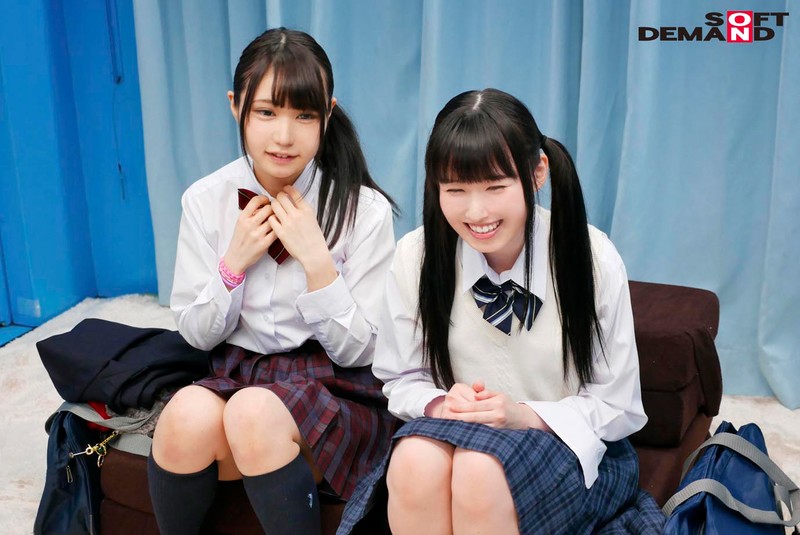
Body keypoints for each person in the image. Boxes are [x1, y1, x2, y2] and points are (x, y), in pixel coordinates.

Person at [338, 89, 666, 534]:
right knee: (413, 460)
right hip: (456, 434)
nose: (477, 212)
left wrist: (524, 415)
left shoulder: (590, 257)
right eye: (455, 190)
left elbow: (618, 405)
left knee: (481, 470)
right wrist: (440, 402)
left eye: (495, 187)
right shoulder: (416, 256)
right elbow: (400, 378)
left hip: (566, 444)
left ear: (537, 173)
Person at [147, 27, 398, 535]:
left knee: (253, 414)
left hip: (334, 381)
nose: (284, 136)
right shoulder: (206, 200)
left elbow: (364, 350)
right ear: (235, 107)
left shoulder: (364, 210)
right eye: (266, 112)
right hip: (239, 370)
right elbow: (195, 334)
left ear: (327, 114)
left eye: (304, 115)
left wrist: (318, 263)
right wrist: (233, 263)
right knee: (184, 417)